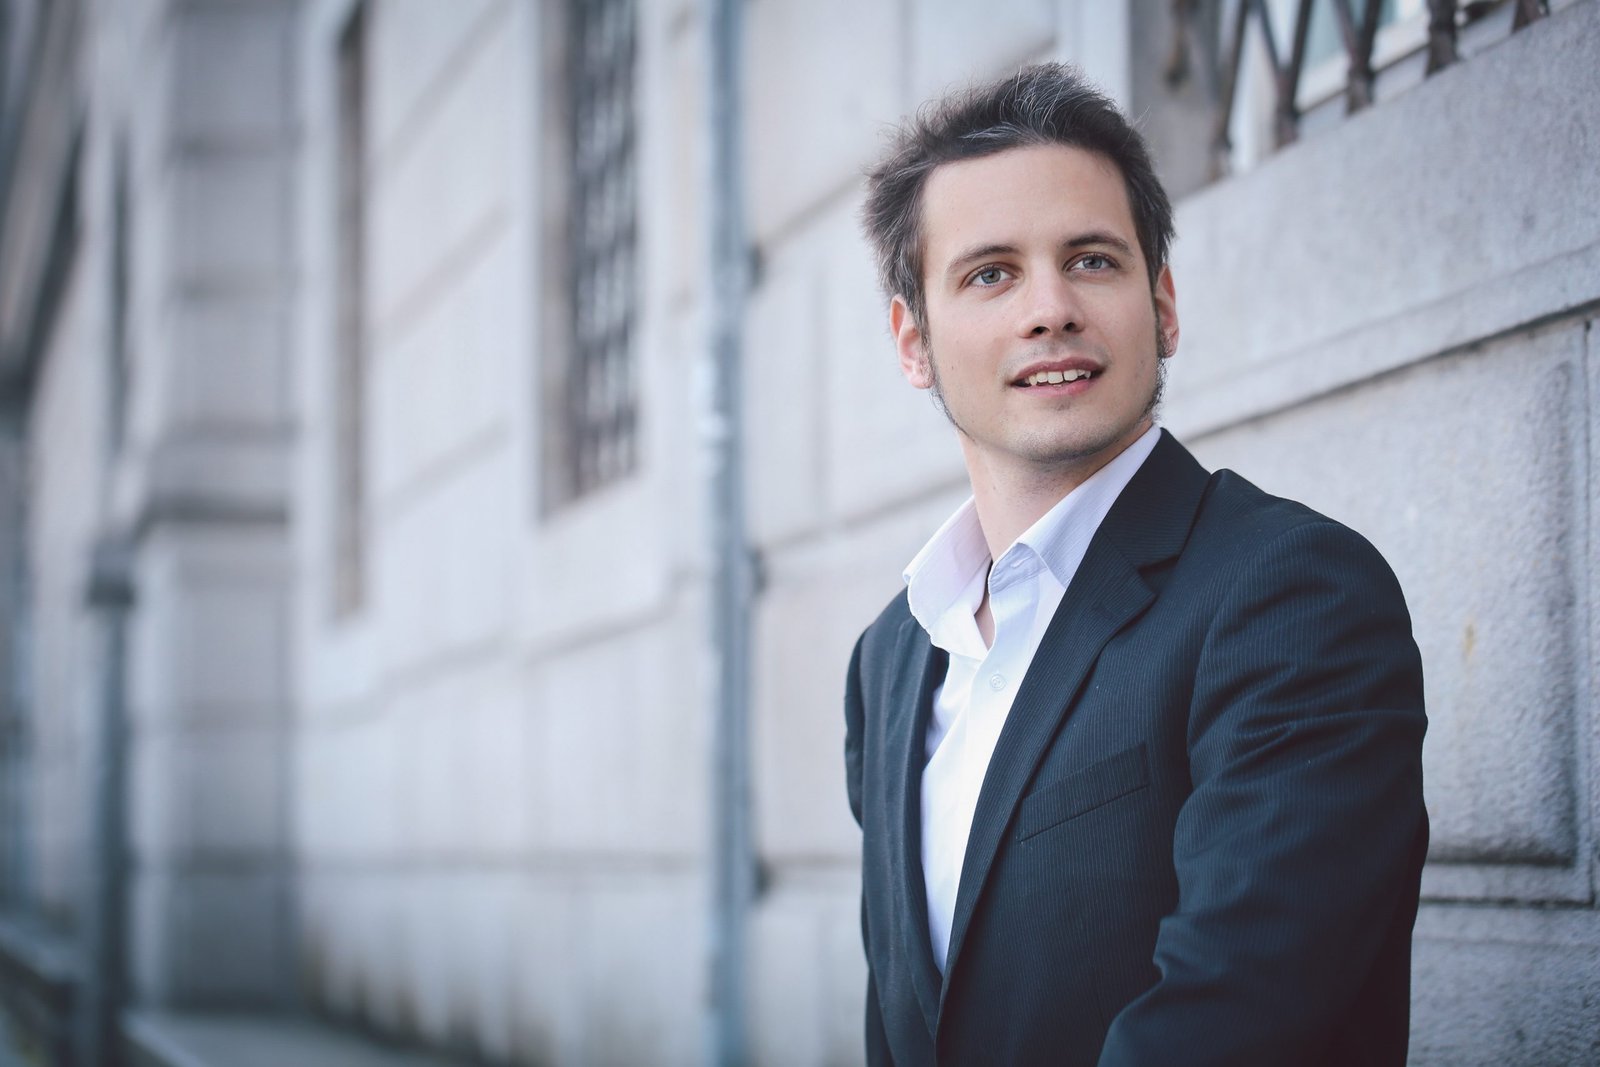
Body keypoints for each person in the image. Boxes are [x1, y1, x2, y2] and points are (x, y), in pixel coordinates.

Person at [843, 62, 1428, 1067]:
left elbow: (1237, 1020)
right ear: (913, 341)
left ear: (1162, 304)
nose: (1050, 308)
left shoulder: (1296, 596)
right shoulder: (890, 658)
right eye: (990, 273)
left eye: (1092, 260)